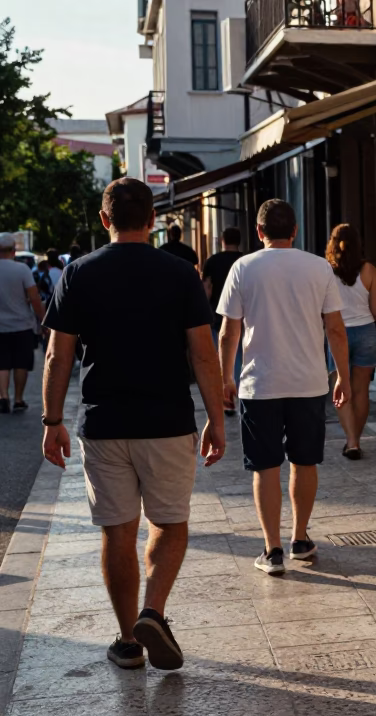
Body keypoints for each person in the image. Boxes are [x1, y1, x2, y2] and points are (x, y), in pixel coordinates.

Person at [40, 178, 226, 671]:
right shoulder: (180, 273)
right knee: (170, 524)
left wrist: (52, 420)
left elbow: (58, 356)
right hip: (168, 421)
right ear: (152, 220)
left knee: (117, 532)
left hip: (103, 423)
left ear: (105, 220)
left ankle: (128, 641)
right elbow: (203, 355)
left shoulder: (78, 273)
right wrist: (216, 418)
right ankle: (153, 611)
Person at [217, 199, 349, 576]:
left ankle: (272, 549)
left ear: (259, 232)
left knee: (265, 467)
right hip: (309, 382)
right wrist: (342, 375)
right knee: (304, 462)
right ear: (294, 231)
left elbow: (228, 332)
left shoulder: (243, 267)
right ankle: (300, 539)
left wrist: (226, 378)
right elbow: (335, 329)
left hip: (259, 385)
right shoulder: (318, 267)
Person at [324, 224, 376, 460]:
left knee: (340, 388)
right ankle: (354, 441)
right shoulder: (369, 270)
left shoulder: (326, 271)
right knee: (361, 391)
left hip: (337, 333)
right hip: (366, 332)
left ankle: (352, 442)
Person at [0, 233, 45, 413]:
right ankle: (18, 399)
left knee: (2, 363)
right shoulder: (22, 270)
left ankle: (3, 396)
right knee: (21, 363)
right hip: (22, 325)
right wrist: (43, 320)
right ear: (13, 250)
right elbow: (34, 297)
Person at [202, 228, 244, 416]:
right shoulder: (245, 261)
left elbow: (207, 289)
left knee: (221, 359)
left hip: (218, 317)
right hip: (244, 317)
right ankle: (242, 396)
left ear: (222, 241)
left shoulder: (212, 262)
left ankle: (227, 400)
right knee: (241, 359)